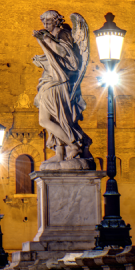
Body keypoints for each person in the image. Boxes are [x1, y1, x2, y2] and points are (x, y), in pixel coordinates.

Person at [32, 11, 94, 167]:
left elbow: (65, 54)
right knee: (56, 119)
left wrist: (45, 39)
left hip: (57, 82)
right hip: (49, 80)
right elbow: (54, 56)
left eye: (48, 21)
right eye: (43, 21)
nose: (45, 24)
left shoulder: (64, 33)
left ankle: (73, 145)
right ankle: (60, 153)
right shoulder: (52, 35)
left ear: (56, 21)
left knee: (47, 119)